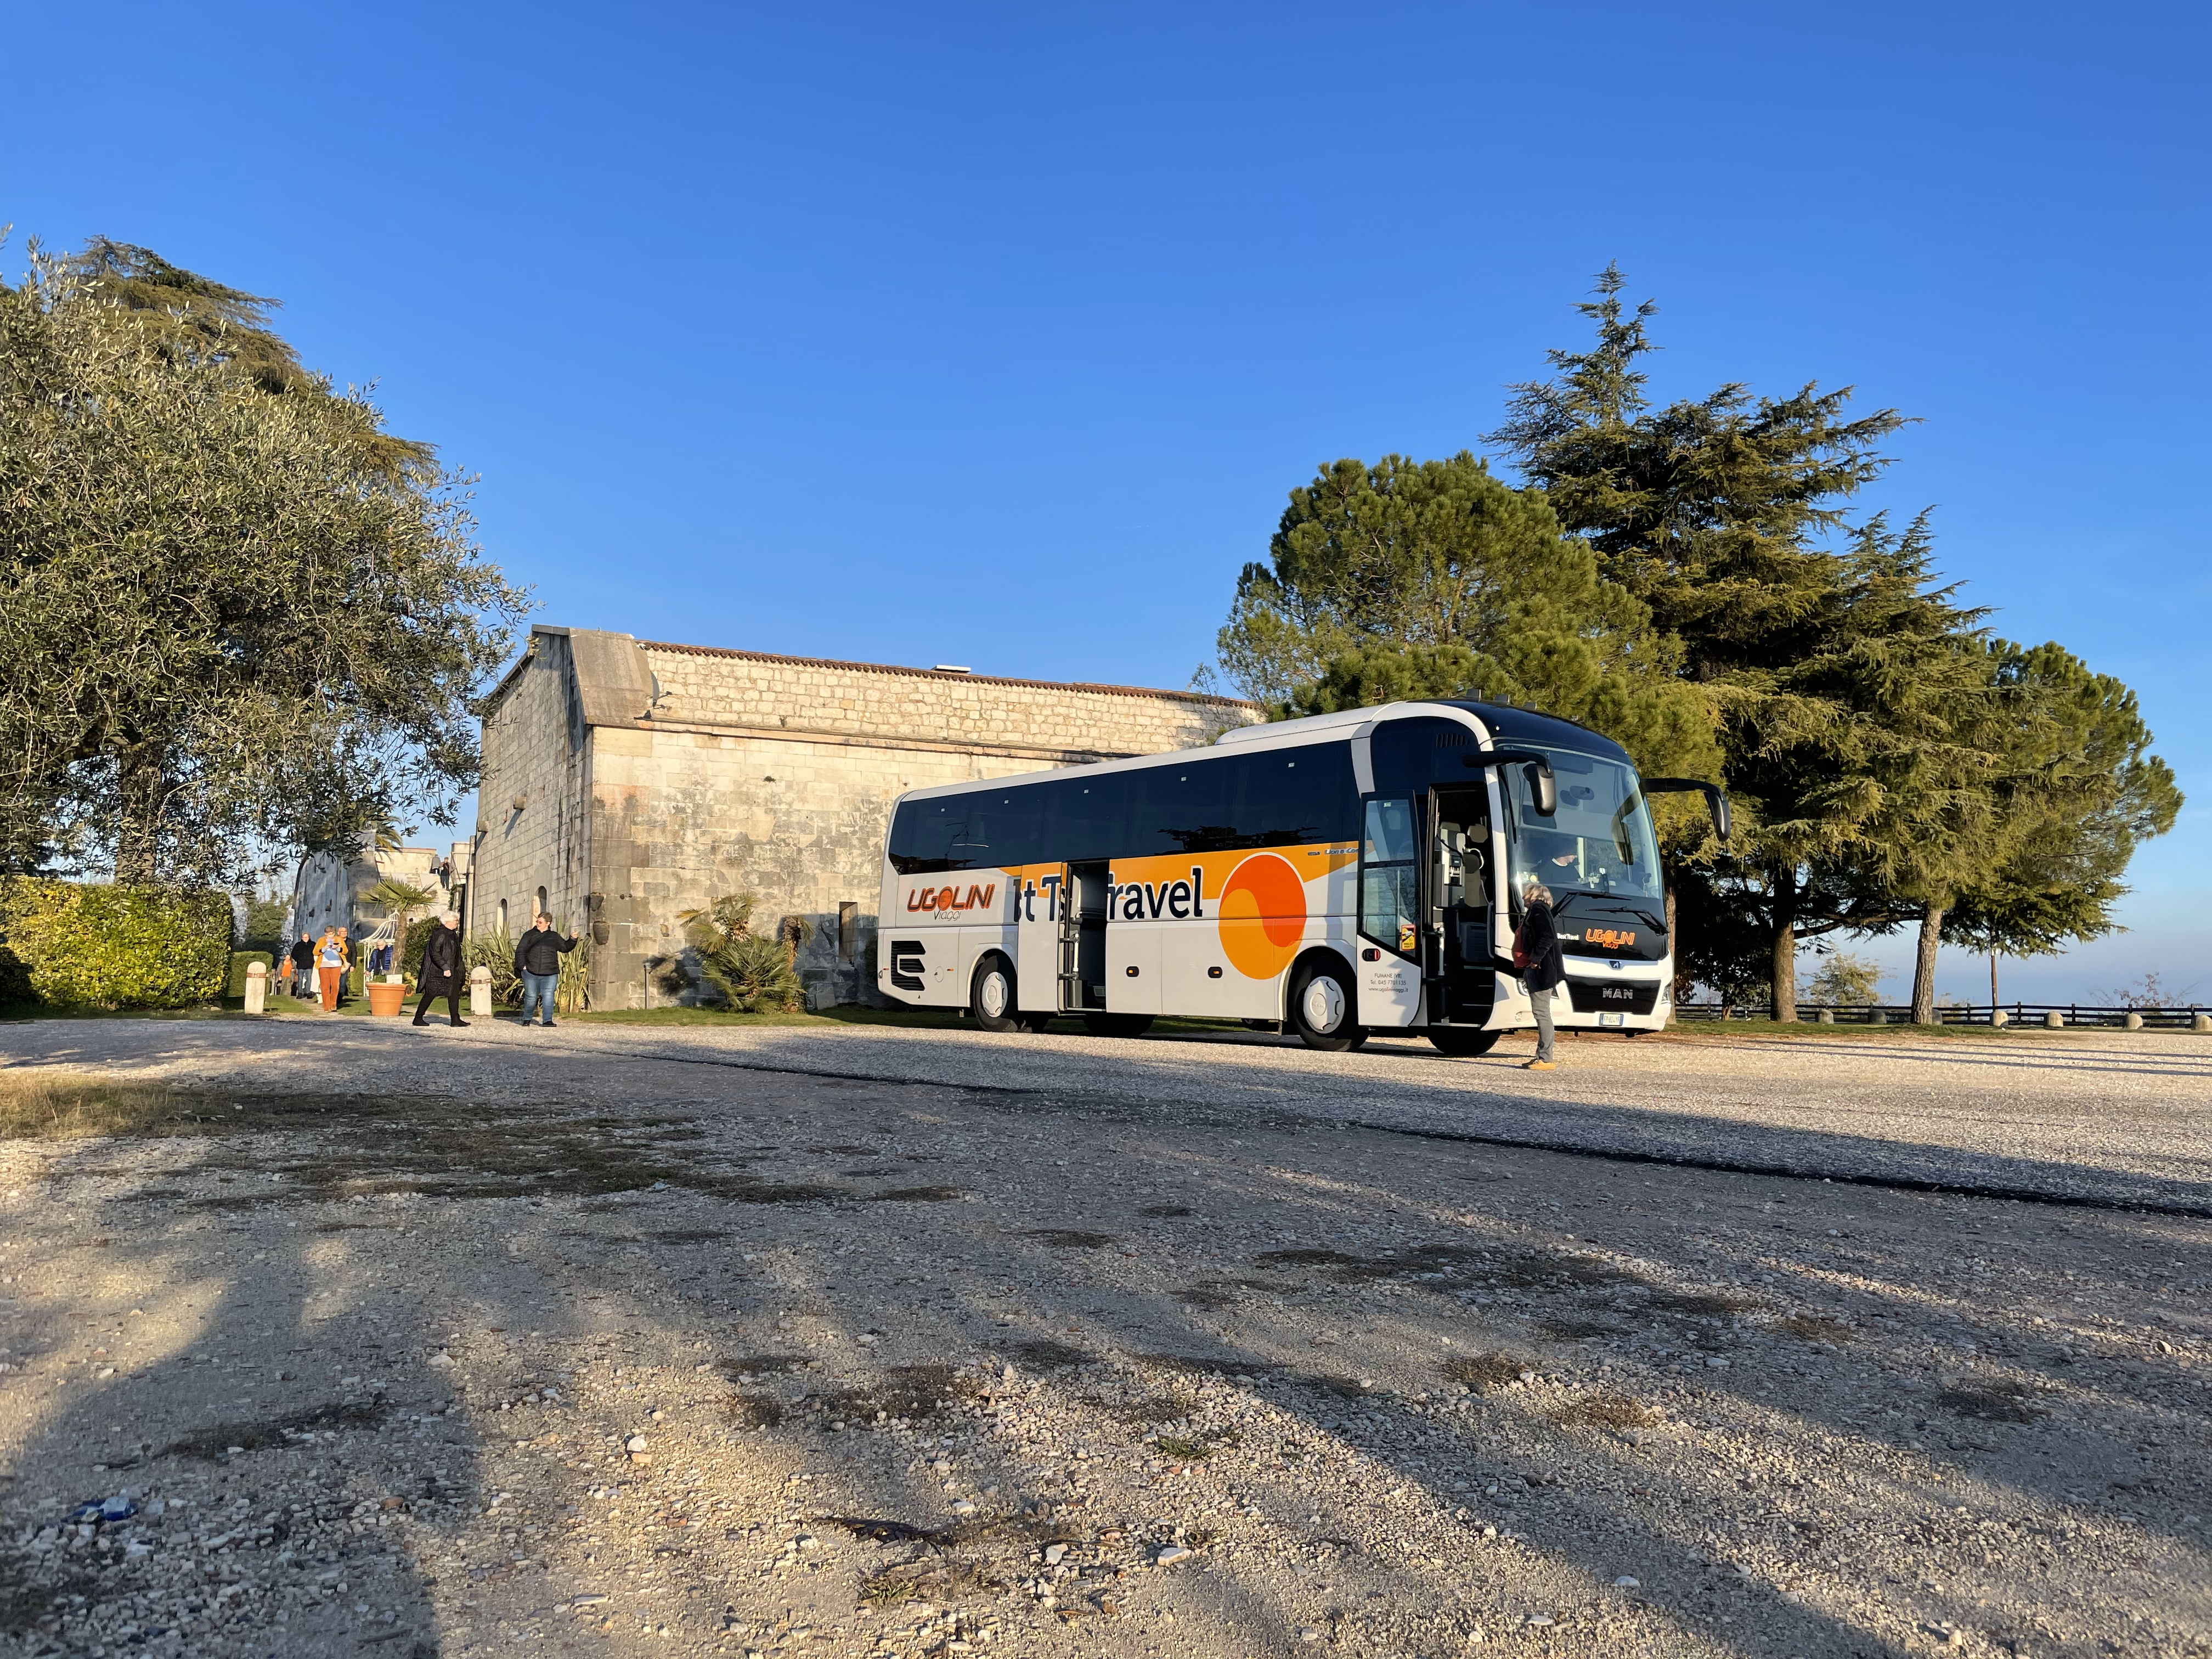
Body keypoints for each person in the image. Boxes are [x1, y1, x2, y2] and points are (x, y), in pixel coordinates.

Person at [1514, 879, 1566, 1070]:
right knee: (1541, 1012)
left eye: (1526, 893)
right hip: (1537, 968)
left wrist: (1535, 959)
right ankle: (1542, 1056)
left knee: (1542, 1013)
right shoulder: (1539, 910)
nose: (1522, 897)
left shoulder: (1538, 910)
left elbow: (1547, 937)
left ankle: (1546, 1058)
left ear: (1535, 895)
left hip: (1541, 969)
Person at [514, 911, 580, 1026]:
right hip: (530, 971)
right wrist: (523, 966)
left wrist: (573, 940)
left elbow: (564, 947)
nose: (537, 924)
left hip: (550, 972)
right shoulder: (529, 935)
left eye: (540, 922)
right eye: (537, 922)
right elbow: (520, 951)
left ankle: (547, 1021)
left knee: (549, 996)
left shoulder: (554, 936)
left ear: (548, 923)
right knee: (531, 997)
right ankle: (527, 1019)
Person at [412, 911, 468, 1028]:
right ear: (448, 922)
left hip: (454, 969)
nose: (457, 922)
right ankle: (418, 1018)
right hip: (439, 971)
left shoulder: (452, 934)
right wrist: (445, 967)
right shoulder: (440, 934)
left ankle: (455, 1019)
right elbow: (435, 953)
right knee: (431, 993)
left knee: (453, 994)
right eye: (455, 920)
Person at [314, 928, 349, 1013]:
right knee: (325, 986)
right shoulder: (321, 940)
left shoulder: (339, 939)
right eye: (329, 934)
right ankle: (327, 1006)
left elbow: (345, 951)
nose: (331, 935)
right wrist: (324, 948)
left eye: (332, 933)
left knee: (335, 985)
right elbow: (315, 952)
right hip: (323, 966)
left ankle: (333, 1004)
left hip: (336, 966)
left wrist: (337, 948)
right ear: (326, 934)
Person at [288, 932, 315, 1000]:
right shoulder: (298, 945)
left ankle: (309, 992)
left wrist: (312, 961)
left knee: (309, 979)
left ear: (309, 938)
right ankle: (300, 993)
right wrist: (298, 959)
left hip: (309, 965)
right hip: (301, 965)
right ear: (302, 938)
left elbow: (316, 953)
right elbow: (293, 954)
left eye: (307, 937)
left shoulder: (313, 945)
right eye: (304, 937)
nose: (305, 939)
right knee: (300, 980)